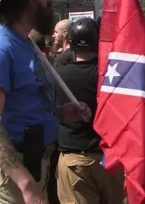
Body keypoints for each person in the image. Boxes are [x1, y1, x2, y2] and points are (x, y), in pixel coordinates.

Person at [0, 0, 91, 204]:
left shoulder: (26, 43)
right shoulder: (0, 47)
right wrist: (26, 185)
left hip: (34, 164)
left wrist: (61, 114)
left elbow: (26, 103)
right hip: (10, 175)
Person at [55, 18, 125, 204]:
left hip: (76, 161)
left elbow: (47, 111)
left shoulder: (59, 75)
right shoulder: (113, 76)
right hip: (110, 160)